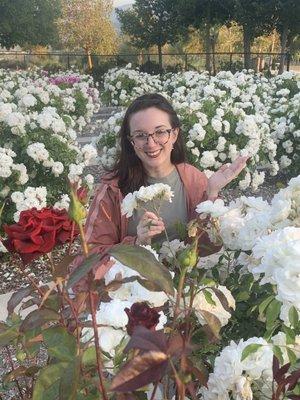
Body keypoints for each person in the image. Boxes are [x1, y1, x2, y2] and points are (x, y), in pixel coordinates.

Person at [80, 93, 248, 279]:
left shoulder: (194, 180)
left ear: (174, 134)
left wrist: (212, 193)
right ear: (131, 141)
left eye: (160, 132)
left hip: (184, 286)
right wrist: (138, 242)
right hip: (132, 292)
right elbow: (89, 258)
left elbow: (209, 248)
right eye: (141, 135)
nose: (151, 143)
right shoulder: (113, 190)